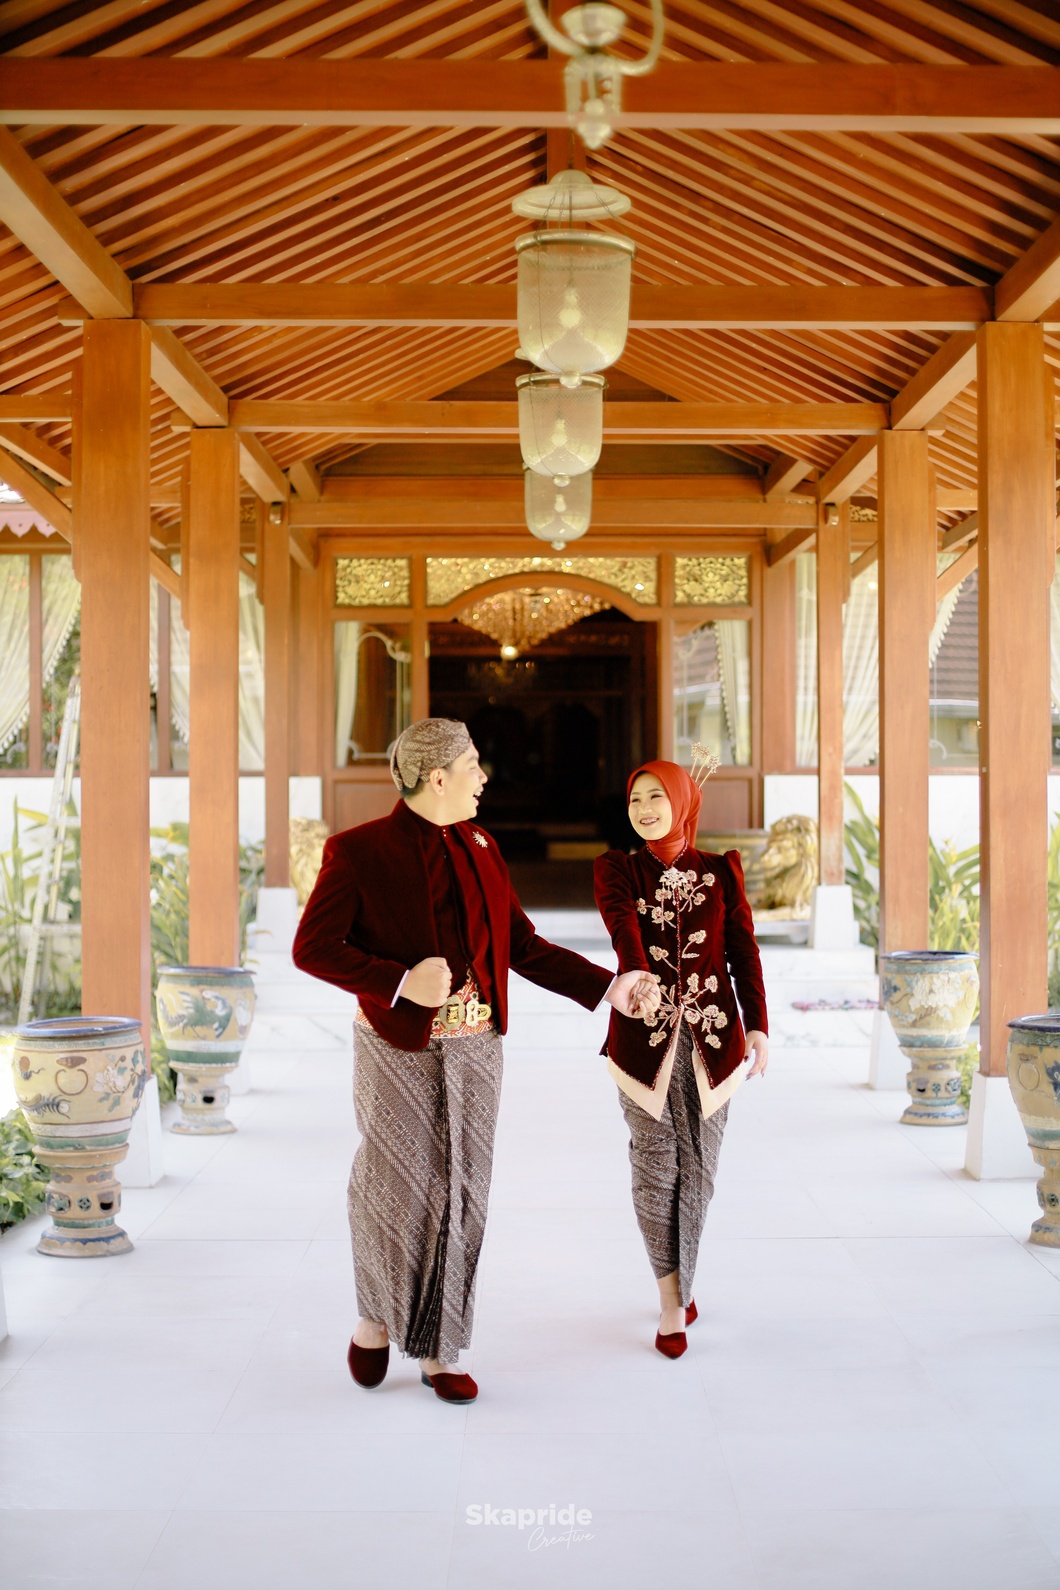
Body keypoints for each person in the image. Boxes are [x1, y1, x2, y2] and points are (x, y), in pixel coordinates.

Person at [292, 718, 658, 1405]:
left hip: (477, 1046)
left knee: (463, 1192)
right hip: (395, 1044)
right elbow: (311, 947)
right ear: (438, 778)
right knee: (395, 1187)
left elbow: (523, 944)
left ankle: (441, 1348)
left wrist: (609, 987)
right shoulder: (357, 851)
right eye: (473, 766)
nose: (484, 778)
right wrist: (398, 980)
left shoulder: (484, 847)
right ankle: (375, 1317)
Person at [593, 752, 769, 1359]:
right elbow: (623, 928)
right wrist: (638, 975)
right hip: (642, 1044)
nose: (644, 809)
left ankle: (683, 1278)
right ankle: (672, 1300)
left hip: (715, 1046)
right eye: (635, 799)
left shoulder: (721, 871)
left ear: (683, 802)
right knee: (655, 1165)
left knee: (700, 1172)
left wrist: (759, 1027)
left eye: (656, 797)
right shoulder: (617, 870)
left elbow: (743, 951)